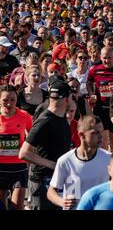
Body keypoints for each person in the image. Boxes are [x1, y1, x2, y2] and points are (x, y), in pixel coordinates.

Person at [18, 78, 72, 210]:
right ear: (67, 98)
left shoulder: (62, 118)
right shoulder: (45, 120)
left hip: (56, 180)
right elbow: (24, 153)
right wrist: (53, 164)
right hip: (41, 181)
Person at [47, 115, 111, 210]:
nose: (101, 136)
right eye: (95, 133)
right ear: (81, 135)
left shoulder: (109, 158)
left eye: (101, 132)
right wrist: (62, 202)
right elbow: (51, 191)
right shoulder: (65, 161)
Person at [0, 85, 32, 210]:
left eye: (12, 100)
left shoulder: (24, 115)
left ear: (17, 99)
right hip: (0, 166)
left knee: (17, 207)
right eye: (5, 100)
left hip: (18, 166)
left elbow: (33, 135)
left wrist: (29, 152)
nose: (9, 103)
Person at [87, 46, 113, 151]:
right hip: (100, 108)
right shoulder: (95, 70)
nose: (106, 61)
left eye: (109, 58)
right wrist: (91, 93)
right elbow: (89, 82)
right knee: (101, 140)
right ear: (100, 57)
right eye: (104, 58)